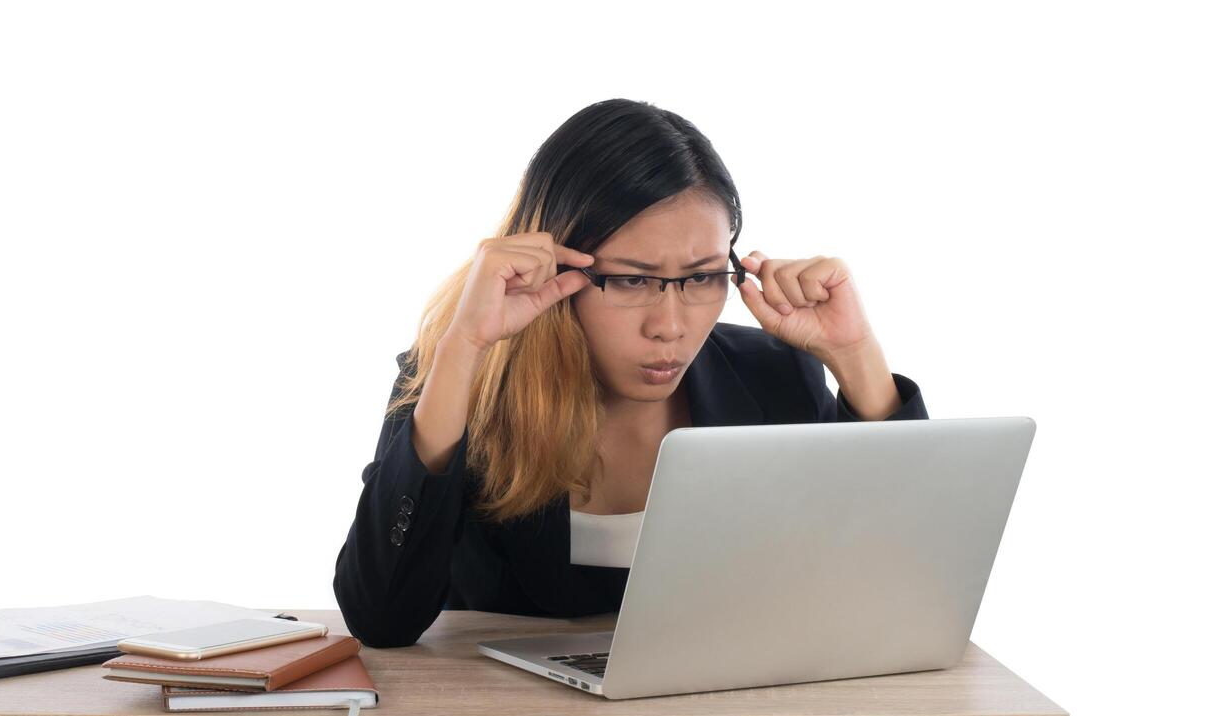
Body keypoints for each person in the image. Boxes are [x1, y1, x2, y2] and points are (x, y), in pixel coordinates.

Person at [333, 98, 929, 648]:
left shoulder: (774, 375)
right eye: (631, 280)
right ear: (552, 265)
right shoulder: (460, 381)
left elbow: (905, 593)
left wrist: (855, 356)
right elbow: (382, 618)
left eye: (700, 277)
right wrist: (464, 345)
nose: (669, 325)